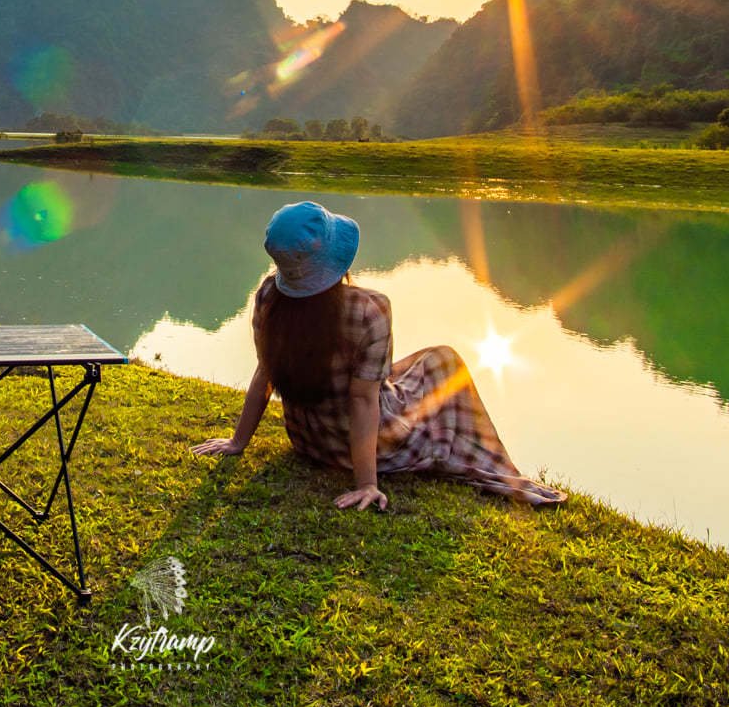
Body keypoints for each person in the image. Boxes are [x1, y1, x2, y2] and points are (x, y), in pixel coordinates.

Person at [192, 201, 566, 512]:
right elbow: (363, 400)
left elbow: (265, 373)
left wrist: (238, 442)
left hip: (309, 441)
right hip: (370, 449)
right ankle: (492, 461)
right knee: (444, 361)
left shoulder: (268, 298)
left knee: (419, 363)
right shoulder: (370, 310)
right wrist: (366, 483)